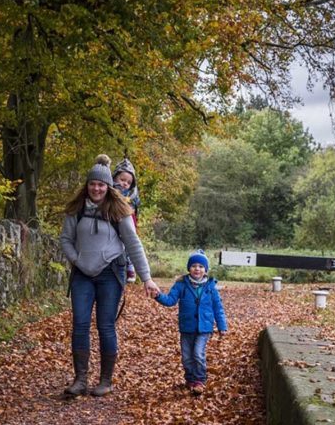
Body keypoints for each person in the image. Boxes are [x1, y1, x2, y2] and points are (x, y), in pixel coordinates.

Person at [60, 155, 160, 397]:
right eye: (93, 184)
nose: (97, 188)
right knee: (80, 325)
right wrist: (76, 260)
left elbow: (133, 244)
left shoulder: (119, 210)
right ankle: (80, 380)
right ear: (88, 185)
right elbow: (65, 240)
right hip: (82, 274)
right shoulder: (77, 209)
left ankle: (105, 380)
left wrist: (146, 277)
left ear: (108, 187)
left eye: (101, 185)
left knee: (105, 326)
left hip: (110, 274)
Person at [153, 250, 228, 395]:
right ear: (189, 268)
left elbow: (218, 307)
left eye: (201, 266)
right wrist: (157, 295)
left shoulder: (210, 286)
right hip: (187, 327)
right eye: (194, 266)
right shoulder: (181, 285)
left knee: (198, 354)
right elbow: (170, 301)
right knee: (187, 357)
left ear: (205, 269)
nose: (197, 269)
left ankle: (200, 380)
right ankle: (190, 379)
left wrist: (222, 326)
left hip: (204, 327)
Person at [112, 156, 141, 282]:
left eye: (128, 183)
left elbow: (134, 214)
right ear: (114, 178)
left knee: (128, 243)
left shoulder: (132, 197)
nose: (125, 184)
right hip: (112, 224)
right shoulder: (108, 192)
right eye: (122, 179)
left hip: (127, 223)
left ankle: (130, 265)